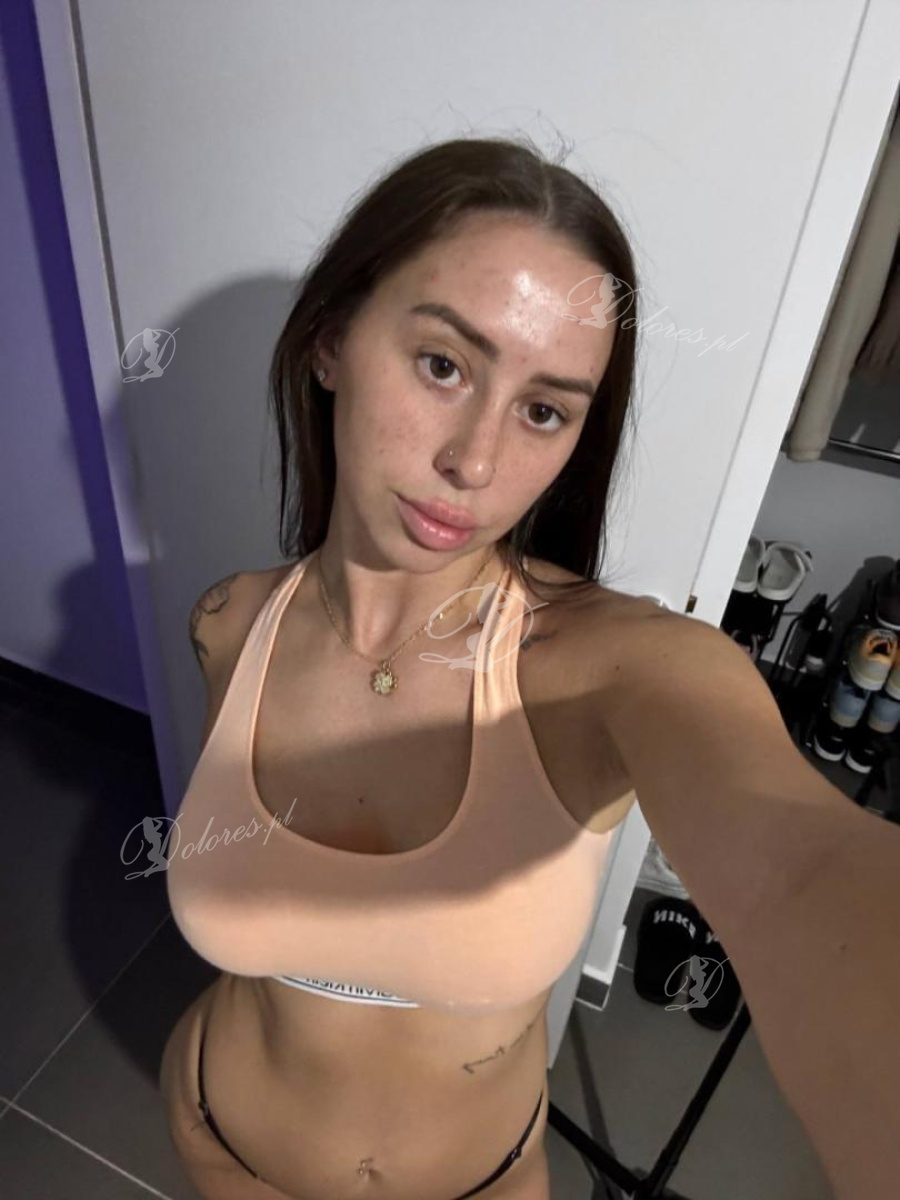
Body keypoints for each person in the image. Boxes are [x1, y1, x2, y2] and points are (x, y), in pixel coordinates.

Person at [159, 134, 900, 1200]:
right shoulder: (228, 623)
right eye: (443, 365)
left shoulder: (614, 672)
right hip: (219, 1143)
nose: (474, 462)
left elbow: (801, 871)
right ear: (329, 342)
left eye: (543, 411)